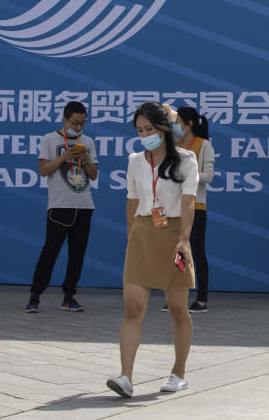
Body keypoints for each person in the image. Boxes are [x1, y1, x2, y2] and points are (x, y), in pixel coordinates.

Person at [106, 101, 199, 398]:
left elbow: (188, 203)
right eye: (139, 130)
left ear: (163, 129)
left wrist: (184, 239)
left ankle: (179, 372)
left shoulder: (186, 160)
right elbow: (132, 200)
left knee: (177, 308)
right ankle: (125, 377)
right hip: (144, 232)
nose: (144, 134)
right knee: (133, 307)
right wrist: (132, 234)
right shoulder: (135, 160)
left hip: (173, 234)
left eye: (149, 129)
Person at [25, 101, 99, 313]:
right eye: (75, 123)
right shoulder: (49, 139)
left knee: (78, 254)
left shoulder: (88, 142)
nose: (78, 127)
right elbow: (43, 170)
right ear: (65, 119)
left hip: (84, 205)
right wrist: (64, 157)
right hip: (59, 206)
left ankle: (69, 296)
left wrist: (85, 159)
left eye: (82, 123)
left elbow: (93, 175)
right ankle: (35, 296)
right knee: (50, 251)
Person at [175, 106, 215, 312]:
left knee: (197, 251)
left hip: (195, 205)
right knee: (175, 252)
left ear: (189, 123)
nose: (175, 127)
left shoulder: (203, 145)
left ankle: (201, 299)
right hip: (173, 206)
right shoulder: (173, 144)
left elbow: (209, 175)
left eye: (178, 122)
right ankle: (176, 296)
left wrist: (189, 176)